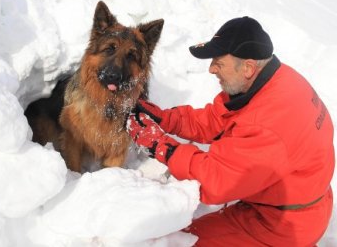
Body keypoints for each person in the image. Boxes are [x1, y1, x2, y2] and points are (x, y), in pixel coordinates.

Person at [127, 16, 334, 246]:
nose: (211, 68)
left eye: (218, 62)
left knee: (178, 241)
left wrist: (159, 145)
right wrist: (166, 119)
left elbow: (214, 181)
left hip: (282, 223)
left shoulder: (267, 124)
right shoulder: (272, 79)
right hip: (292, 200)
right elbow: (216, 119)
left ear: (247, 67)